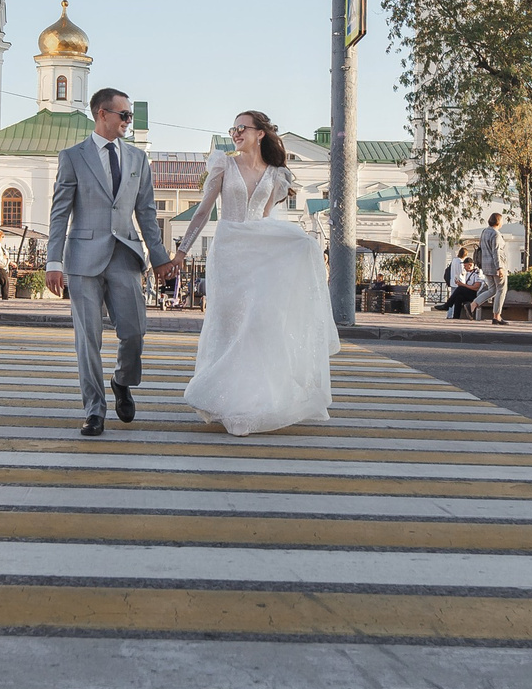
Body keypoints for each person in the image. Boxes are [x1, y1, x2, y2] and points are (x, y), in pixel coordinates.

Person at [158, 110, 339, 435]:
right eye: (234, 128)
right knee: (228, 325)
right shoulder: (223, 165)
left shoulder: (276, 174)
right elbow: (202, 211)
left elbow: (266, 217)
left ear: (260, 134)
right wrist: (181, 252)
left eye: (243, 128)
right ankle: (221, 397)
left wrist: (300, 244)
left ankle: (251, 402)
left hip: (259, 253)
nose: (236, 133)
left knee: (258, 324)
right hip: (229, 252)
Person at [46, 88, 163, 436]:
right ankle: (94, 410)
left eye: (129, 116)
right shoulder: (73, 157)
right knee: (88, 339)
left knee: (134, 333)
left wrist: (160, 259)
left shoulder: (137, 159)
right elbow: (59, 212)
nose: (128, 121)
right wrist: (54, 260)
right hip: (82, 260)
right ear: (102, 114)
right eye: (123, 115)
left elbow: (147, 212)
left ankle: (122, 380)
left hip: (125, 256)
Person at [478, 213, 509, 326]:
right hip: (496, 266)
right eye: (502, 220)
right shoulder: (496, 234)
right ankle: (497, 316)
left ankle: (473, 304)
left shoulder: (484, 232)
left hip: (486, 265)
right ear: (498, 222)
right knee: (501, 290)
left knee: (492, 290)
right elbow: (496, 252)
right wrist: (499, 267)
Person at [445, 251, 481, 320]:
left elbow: (476, 287)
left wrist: (463, 285)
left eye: (465, 266)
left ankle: (447, 305)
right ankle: (456, 317)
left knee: (460, 289)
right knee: (459, 297)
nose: (464, 268)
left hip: (477, 294)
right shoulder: (468, 273)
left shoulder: (478, 272)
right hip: (470, 293)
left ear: (470, 265)